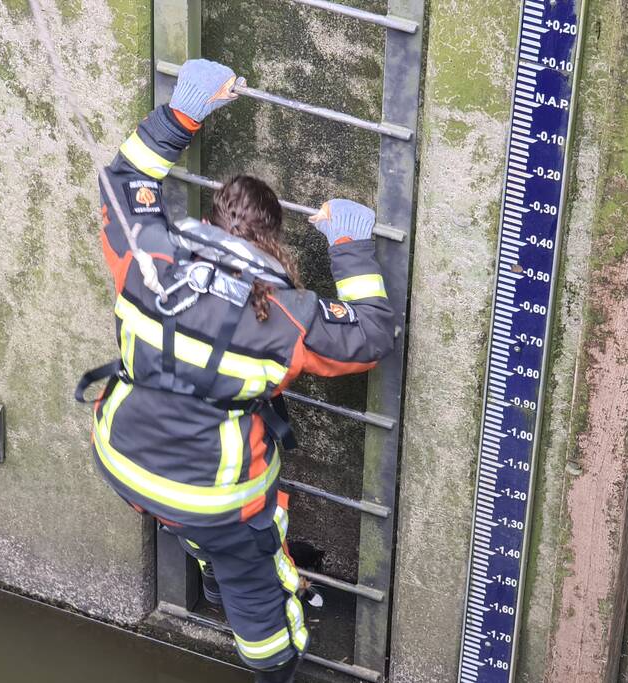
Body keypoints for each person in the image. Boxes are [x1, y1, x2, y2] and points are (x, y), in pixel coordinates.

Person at [77, 59, 396, 683]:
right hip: (215, 496)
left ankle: (207, 558)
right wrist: (351, 244)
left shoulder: (150, 262)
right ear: (274, 242)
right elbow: (372, 335)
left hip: (121, 458)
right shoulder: (288, 319)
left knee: (201, 525)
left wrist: (185, 108)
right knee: (261, 597)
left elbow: (123, 179)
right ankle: (274, 668)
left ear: (213, 225)